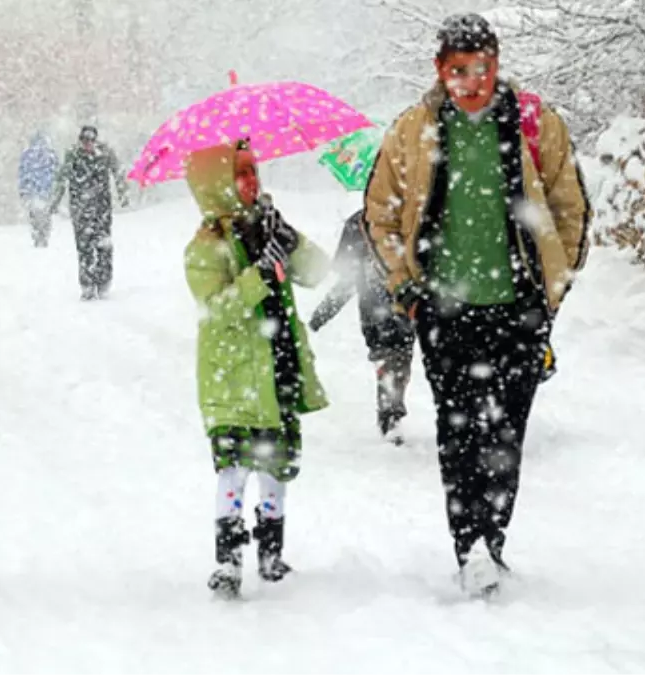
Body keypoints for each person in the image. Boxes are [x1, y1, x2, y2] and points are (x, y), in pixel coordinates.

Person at [364, 13, 590, 597]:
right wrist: (405, 284)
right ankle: (470, 545)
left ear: (497, 64)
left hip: (517, 306)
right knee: (459, 430)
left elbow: (569, 203)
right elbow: (380, 213)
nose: (471, 81)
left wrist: (551, 286)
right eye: (459, 70)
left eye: (482, 68)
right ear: (440, 70)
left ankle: (494, 538)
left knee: (508, 430)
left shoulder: (533, 123)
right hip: (443, 309)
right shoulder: (413, 130)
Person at [183, 140, 329, 599]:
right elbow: (216, 308)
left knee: (276, 466)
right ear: (217, 186)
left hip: (277, 363)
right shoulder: (206, 248)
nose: (251, 181)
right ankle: (228, 558)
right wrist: (258, 276)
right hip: (235, 375)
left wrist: (288, 239)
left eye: (253, 171)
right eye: (239, 174)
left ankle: (271, 551)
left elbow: (318, 270)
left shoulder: (267, 227)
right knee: (233, 468)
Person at [308, 209, 415, 444]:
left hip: (401, 307)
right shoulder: (360, 224)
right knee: (393, 358)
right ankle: (390, 415)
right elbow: (347, 280)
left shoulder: (400, 219)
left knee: (398, 360)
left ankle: (390, 412)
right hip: (380, 311)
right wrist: (321, 315)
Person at [49, 125, 130, 300]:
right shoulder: (73, 155)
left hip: (101, 207)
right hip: (80, 208)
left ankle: (103, 282)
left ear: (95, 140)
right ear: (80, 141)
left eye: (91, 140)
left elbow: (118, 171)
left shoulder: (105, 153)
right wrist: (54, 202)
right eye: (85, 140)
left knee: (103, 245)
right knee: (84, 246)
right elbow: (61, 178)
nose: (88, 144)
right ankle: (87, 283)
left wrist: (123, 193)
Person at [19, 132, 59, 247]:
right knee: (45, 214)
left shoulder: (27, 155)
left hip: (32, 190)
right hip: (46, 191)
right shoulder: (51, 155)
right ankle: (44, 234)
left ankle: (37, 234)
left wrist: (23, 189)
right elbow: (56, 173)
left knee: (34, 214)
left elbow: (23, 173)